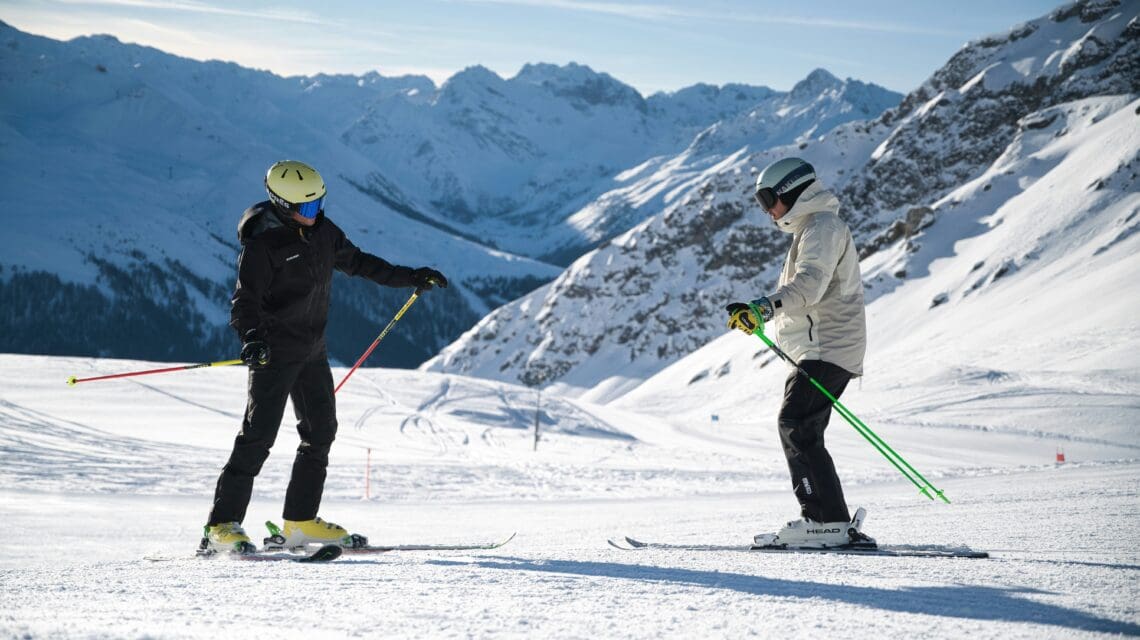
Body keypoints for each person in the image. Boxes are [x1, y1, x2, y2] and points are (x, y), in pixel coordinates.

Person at [204, 160, 447, 553]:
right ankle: (221, 526)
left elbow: (361, 262)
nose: (315, 214)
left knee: (320, 433)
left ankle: (300, 522)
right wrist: (253, 338)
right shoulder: (262, 246)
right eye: (307, 208)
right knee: (258, 437)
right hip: (275, 355)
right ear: (282, 204)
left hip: (313, 351)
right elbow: (244, 302)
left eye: (319, 205)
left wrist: (411, 276)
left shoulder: (324, 233)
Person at [725, 157, 875, 549]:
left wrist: (762, 308)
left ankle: (824, 521)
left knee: (796, 424)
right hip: (824, 347)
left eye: (768, 198)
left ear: (792, 191)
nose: (767, 210)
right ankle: (829, 519)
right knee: (801, 427)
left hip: (828, 346)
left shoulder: (822, 227)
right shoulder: (812, 228)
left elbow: (808, 286)